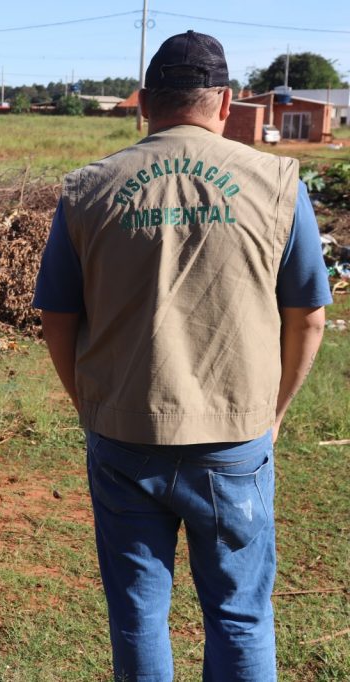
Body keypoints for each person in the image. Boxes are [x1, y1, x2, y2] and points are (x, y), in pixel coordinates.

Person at [32, 31, 331, 682]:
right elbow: (308, 317)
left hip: (124, 436)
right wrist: (273, 414)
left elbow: (57, 317)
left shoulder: (88, 189)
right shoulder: (277, 183)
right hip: (234, 442)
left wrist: (90, 403)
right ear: (224, 103)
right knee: (240, 616)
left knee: (138, 614)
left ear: (144, 102)